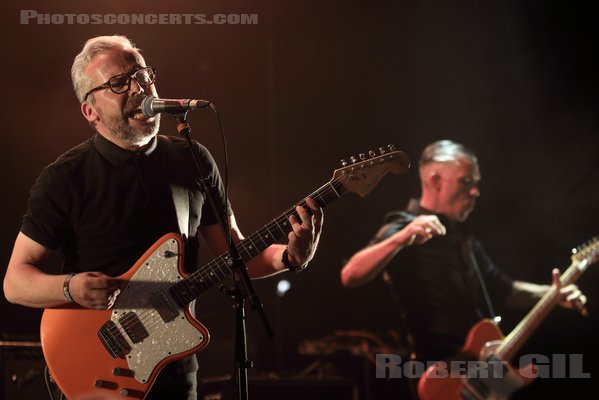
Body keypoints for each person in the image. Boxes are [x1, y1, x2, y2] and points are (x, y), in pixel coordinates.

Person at [3, 35, 323, 399]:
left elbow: (234, 257)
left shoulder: (192, 159)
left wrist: (290, 257)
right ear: (90, 111)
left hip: (173, 370)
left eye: (142, 75)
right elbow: (15, 282)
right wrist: (70, 287)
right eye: (118, 83)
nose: (139, 88)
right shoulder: (64, 178)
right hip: (96, 371)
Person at [341, 140, 586, 367]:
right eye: (466, 181)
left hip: (476, 368)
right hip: (437, 369)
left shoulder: (463, 237)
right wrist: (401, 237)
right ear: (435, 181)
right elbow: (351, 274)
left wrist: (553, 293)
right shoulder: (405, 223)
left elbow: (503, 289)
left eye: (475, 183)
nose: (475, 192)